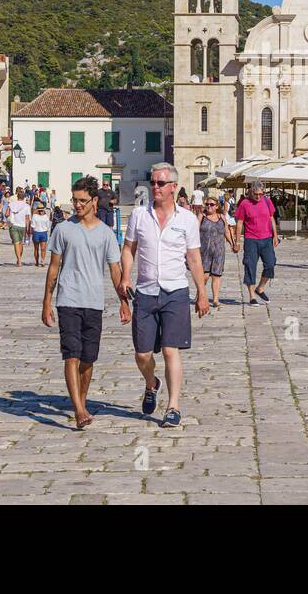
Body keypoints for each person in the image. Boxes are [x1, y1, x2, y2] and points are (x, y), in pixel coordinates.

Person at [120, 162, 209, 428]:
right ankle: (151, 383)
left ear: (173, 187)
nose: (154, 187)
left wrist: (201, 293)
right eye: (153, 182)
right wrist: (125, 276)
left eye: (160, 183)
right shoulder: (138, 216)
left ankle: (173, 407)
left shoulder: (187, 219)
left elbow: (193, 258)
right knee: (142, 354)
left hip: (176, 291)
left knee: (172, 350)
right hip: (146, 291)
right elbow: (128, 249)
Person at [43, 176, 127, 429]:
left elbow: (115, 270)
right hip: (68, 299)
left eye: (82, 201)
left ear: (93, 201)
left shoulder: (106, 233)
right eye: (74, 200)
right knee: (72, 355)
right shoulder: (63, 229)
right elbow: (54, 267)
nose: (77, 205)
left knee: (88, 358)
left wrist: (124, 302)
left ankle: (81, 400)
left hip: (94, 302)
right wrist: (47, 302)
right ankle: (79, 409)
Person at [233, 180, 279, 304]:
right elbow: (239, 223)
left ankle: (261, 287)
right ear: (251, 192)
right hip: (251, 239)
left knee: (271, 263)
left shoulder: (267, 201)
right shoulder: (245, 203)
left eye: (260, 194)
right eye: (256, 194)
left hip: (266, 239)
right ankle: (252, 296)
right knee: (250, 266)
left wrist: (275, 235)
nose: (258, 196)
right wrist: (237, 242)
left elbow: (271, 218)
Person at [198, 192, 235, 308]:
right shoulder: (201, 217)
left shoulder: (222, 217)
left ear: (217, 206)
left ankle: (215, 299)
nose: (209, 206)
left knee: (216, 275)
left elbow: (226, 232)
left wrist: (232, 243)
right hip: (204, 250)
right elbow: (193, 231)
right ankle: (201, 294)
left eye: (212, 204)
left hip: (219, 250)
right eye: (207, 204)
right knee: (204, 276)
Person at [6, 188, 31, 266]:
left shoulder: (11, 204)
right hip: (23, 226)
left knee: (16, 243)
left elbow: (6, 214)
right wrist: (28, 230)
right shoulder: (27, 206)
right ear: (24, 198)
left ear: (17, 197)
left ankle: (19, 260)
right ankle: (19, 259)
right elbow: (27, 219)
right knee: (20, 243)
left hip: (13, 225)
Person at [31, 203, 52, 267]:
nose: (40, 211)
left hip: (37, 232)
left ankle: (40, 261)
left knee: (38, 248)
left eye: (41, 210)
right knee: (41, 249)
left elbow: (33, 225)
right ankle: (40, 261)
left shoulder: (34, 216)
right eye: (40, 210)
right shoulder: (46, 217)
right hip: (42, 233)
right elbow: (48, 227)